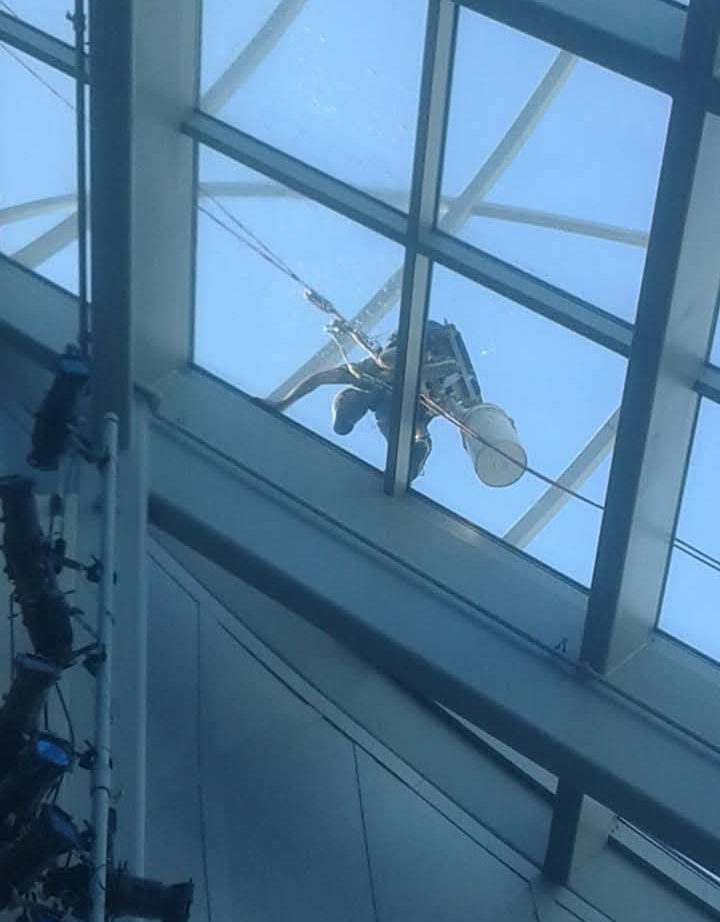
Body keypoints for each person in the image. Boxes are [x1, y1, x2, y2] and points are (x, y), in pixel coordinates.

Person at [266, 321, 478, 482]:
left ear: (349, 394)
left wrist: (284, 402)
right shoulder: (384, 414)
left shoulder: (362, 373)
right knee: (409, 407)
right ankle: (425, 376)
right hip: (437, 379)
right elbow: (414, 438)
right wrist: (414, 455)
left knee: (385, 361)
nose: (354, 403)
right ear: (359, 414)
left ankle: (420, 371)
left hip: (425, 348)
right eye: (354, 410)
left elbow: (319, 379)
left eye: (348, 401)